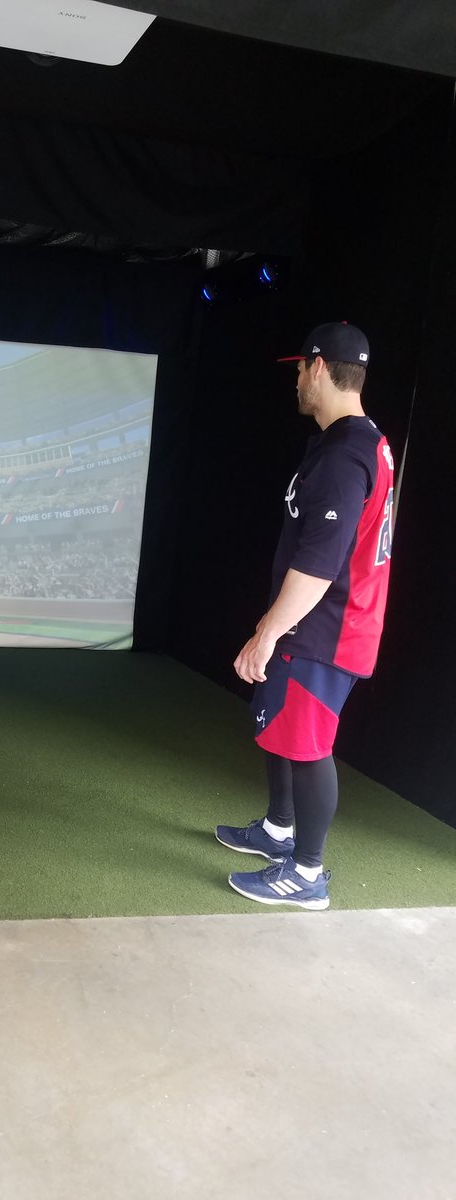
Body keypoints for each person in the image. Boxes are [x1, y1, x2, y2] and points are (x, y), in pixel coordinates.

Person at [216, 322, 394, 909]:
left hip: (327, 627)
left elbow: (320, 564)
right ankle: (278, 829)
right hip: (319, 621)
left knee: (310, 744)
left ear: (319, 368)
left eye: (299, 369)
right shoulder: (346, 441)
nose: (295, 379)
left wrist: (266, 633)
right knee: (282, 730)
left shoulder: (347, 454)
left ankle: (307, 873)